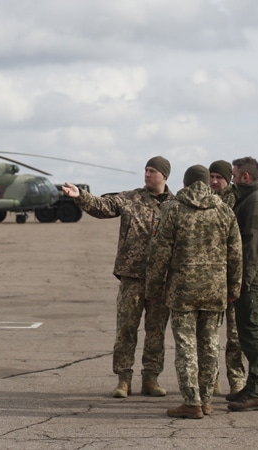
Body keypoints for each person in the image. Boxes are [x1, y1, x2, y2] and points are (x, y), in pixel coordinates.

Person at [62, 156, 173, 398]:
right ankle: (124, 380)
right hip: (131, 276)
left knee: (156, 332)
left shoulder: (175, 205)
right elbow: (103, 206)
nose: (146, 174)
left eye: (152, 171)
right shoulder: (130, 199)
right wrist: (80, 195)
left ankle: (151, 379)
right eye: (145, 170)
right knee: (126, 330)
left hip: (161, 280)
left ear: (164, 176)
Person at [146, 165, 242, 419]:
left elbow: (160, 251)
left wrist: (154, 286)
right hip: (215, 290)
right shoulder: (224, 210)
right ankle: (207, 400)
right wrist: (234, 288)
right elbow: (236, 254)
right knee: (210, 344)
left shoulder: (174, 208)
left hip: (182, 290)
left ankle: (192, 401)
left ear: (186, 184)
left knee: (186, 346)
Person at [226, 156, 258, 412]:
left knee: (253, 330)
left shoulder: (257, 202)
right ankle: (252, 386)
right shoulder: (248, 198)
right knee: (246, 331)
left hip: (252, 278)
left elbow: (252, 249)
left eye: (234, 176)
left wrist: (241, 284)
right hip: (248, 276)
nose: (232, 181)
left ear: (246, 177)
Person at [208, 160, 246, 396]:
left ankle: (237, 380)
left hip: (232, 278)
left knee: (235, 336)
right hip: (209, 280)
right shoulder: (204, 201)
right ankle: (211, 379)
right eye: (211, 177)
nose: (214, 182)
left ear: (228, 179)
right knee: (209, 335)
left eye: (218, 177)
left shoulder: (238, 201)